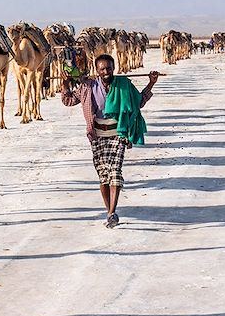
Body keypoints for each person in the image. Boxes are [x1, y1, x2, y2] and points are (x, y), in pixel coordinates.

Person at [61, 54, 159, 228]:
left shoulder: (124, 85)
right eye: (102, 69)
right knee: (103, 177)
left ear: (114, 68)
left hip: (118, 134)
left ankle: (112, 212)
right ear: (97, 71)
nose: (106, 71)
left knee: (115, 173)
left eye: (109, 68)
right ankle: (109, 212)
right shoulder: (87, 86)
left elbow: (139, 102)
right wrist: (65, 84)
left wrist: (151, 83)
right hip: (97, 136)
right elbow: (68, 101)